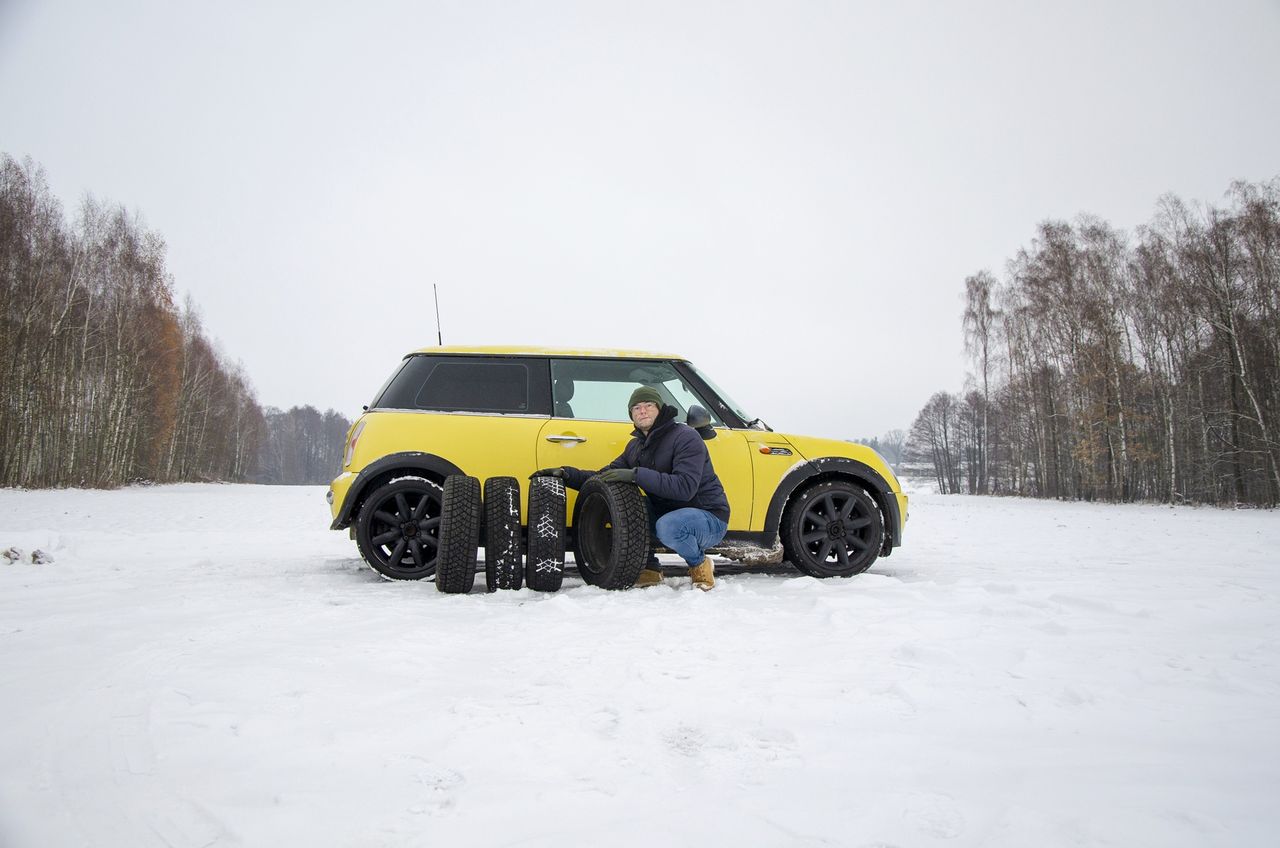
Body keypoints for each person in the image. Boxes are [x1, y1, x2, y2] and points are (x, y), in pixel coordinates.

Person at [532, 386, 730, 590]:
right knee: (624, 509)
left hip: (708, 517)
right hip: (666, 514)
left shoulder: (686, 437)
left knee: (668, 526)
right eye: (636, 408)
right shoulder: (635, 447)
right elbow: (604, 477)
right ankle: (650, 568)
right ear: (631, 415)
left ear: (660, 409)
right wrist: (567, 474)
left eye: (648, 405)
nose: (642, 411)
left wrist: (637, 475)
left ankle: (699, 565)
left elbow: (684, 487)